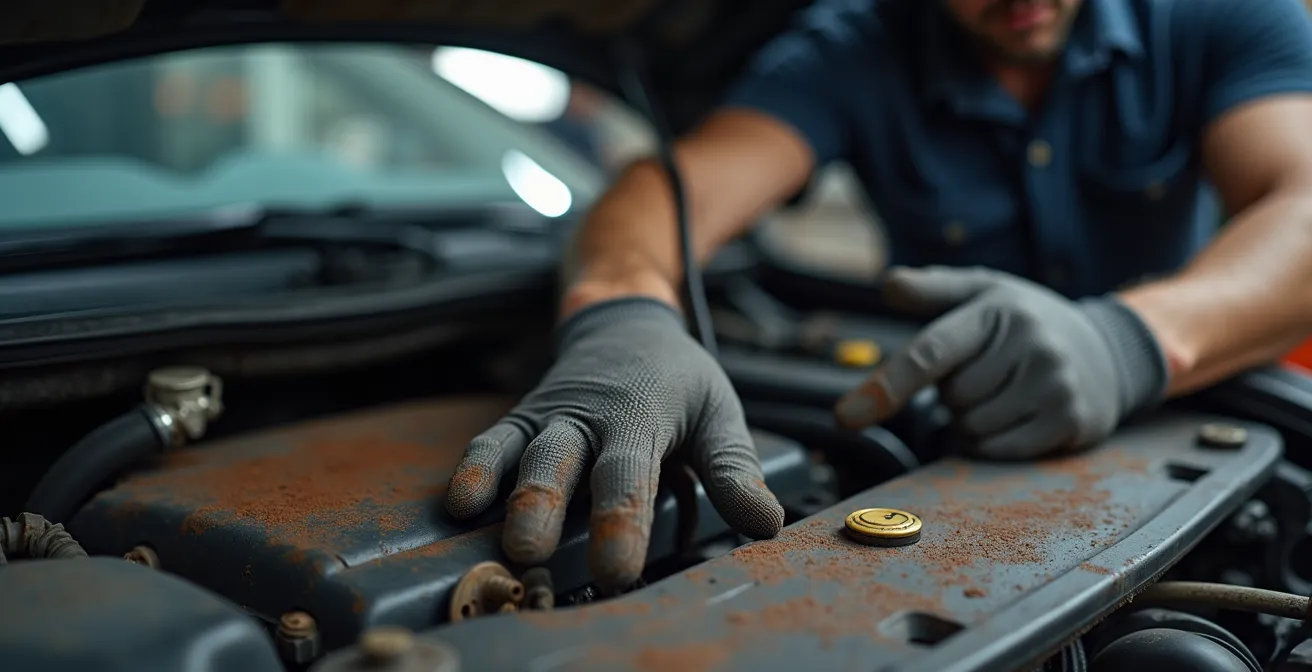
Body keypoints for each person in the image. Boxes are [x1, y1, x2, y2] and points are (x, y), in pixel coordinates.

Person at [445, 0, 1312, 592]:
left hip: (1179, 413)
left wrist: (1131, 343)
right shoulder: (855, 46)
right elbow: (665, 194)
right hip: (960, 430)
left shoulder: (1216, 14)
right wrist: (621, 316)